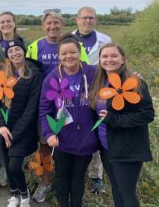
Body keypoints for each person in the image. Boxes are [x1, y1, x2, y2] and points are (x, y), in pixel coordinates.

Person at [26, 9, 88, 203]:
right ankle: (46, 182)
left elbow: (88, 72)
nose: (52, 26)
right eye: (48, 23)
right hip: (46, 105)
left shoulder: (74, 45)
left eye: (56, 23)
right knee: (46, 144)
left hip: (73, 104)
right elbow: (27, 74)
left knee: (71, 144)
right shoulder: (35, 47)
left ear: (62, 24)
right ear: (43, 26)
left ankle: (73, 185)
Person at [91, 43, 154, 207]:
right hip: (107, 147)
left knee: (127, 193)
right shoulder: (102, 82)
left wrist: (114, 120)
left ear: (122, 59)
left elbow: (147, 114)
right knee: (117, 190)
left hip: (127, 147)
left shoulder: (134, 83)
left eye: (113, 56)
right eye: (104, 56)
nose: (109, 60)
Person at [39, 33, 98, 207]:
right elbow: (44, 110)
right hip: (62, 138)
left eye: (72, 52)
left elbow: (114, 77)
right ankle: (63, 203)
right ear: (59, 56)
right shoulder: (51, 78)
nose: (68, 56)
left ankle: (77, 203)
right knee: (63, 175)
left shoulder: (93, 73)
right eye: (64, 53)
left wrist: (133, 77)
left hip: (86, 138)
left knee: (79, 176)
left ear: (79, 53)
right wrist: (48, 133)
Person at [0, 39, 43, 207]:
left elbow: (31, 108)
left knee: (14, 166)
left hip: (22, 130)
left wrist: (13, 133)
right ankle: (13, 194)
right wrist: (1, 126)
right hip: (3, 129)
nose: (14, 53)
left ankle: (24, 194)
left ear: (24, 51)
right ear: (7, 55)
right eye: (11, 51)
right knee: (6, 164)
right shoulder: (3, 74)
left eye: (17, 49)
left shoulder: (34, 74)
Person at [72, 6, 112, 194]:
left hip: (97, 92)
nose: (88, 21)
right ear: (77, 19)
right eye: (84, 18)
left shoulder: (105, 40)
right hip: (73, 93)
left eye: (91, 18)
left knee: (97, 131)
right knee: (73, 129)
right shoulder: (69, 38)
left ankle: (96, 176)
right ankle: (73, 171)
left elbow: (110, 64)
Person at [0, 11, 26, 187]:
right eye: (1, 22)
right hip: (0, 92)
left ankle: (17, 169)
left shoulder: (24, 41)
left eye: (8, 21)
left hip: (20, 91)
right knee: (2, 131)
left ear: (14, 22)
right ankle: (5, 168)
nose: (5, 25)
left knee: (18, 130)